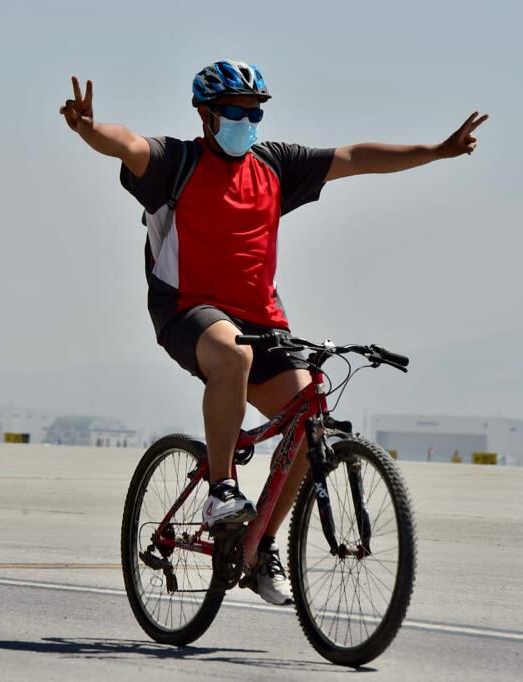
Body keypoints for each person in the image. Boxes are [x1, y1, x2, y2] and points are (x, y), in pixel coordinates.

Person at [60, 59, 487, 605]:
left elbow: (355, 159)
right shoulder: (177, 162)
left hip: (262, 319)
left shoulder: (274, 164)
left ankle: (261, 547)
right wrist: (90, 130)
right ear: (206, 114)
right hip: (186, 309)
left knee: (311, 418)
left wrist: (436, 151)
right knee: (230, 356)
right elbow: (128, 145)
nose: (248, 120)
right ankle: (220, 490)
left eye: (255, 111)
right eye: (236, 111)